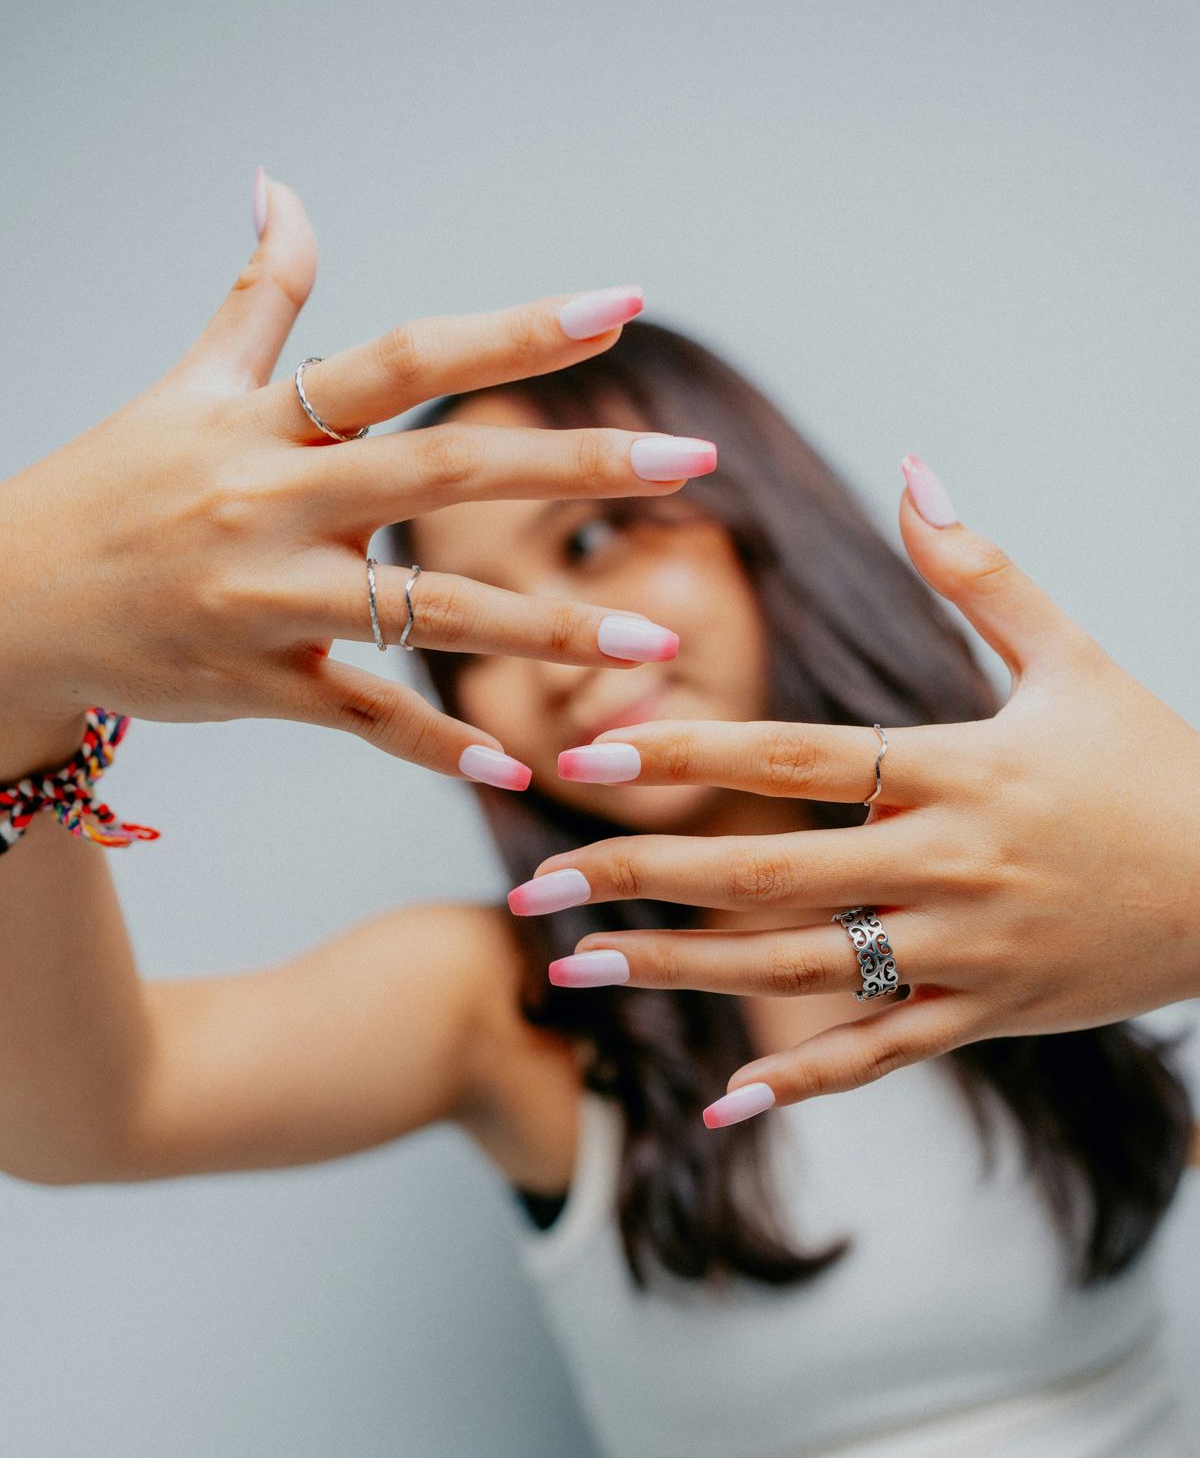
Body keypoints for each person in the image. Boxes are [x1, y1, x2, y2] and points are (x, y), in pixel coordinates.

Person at [1, 175, 1197, 1456]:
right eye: (465, 632)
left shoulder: (1064, 868)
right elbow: (93, 1115)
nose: (557, 651)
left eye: (587, 546)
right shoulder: (507, 1000)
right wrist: (18, 673)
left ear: (763, 531)